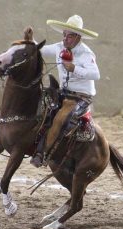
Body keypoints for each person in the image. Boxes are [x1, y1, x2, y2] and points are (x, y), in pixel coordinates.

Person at [30, 14, 100, 167]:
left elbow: (96, 74)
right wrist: (31, 40)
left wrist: (74, 68)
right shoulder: (59, 47)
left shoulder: (86, 53)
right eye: (64, 35)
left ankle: (43, 153)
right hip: (64, 92)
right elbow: (40, 50)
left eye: (70, 36)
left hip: (81, 96)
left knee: (60, 119)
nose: (65, 39)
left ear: (78, 37)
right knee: (41, 105)